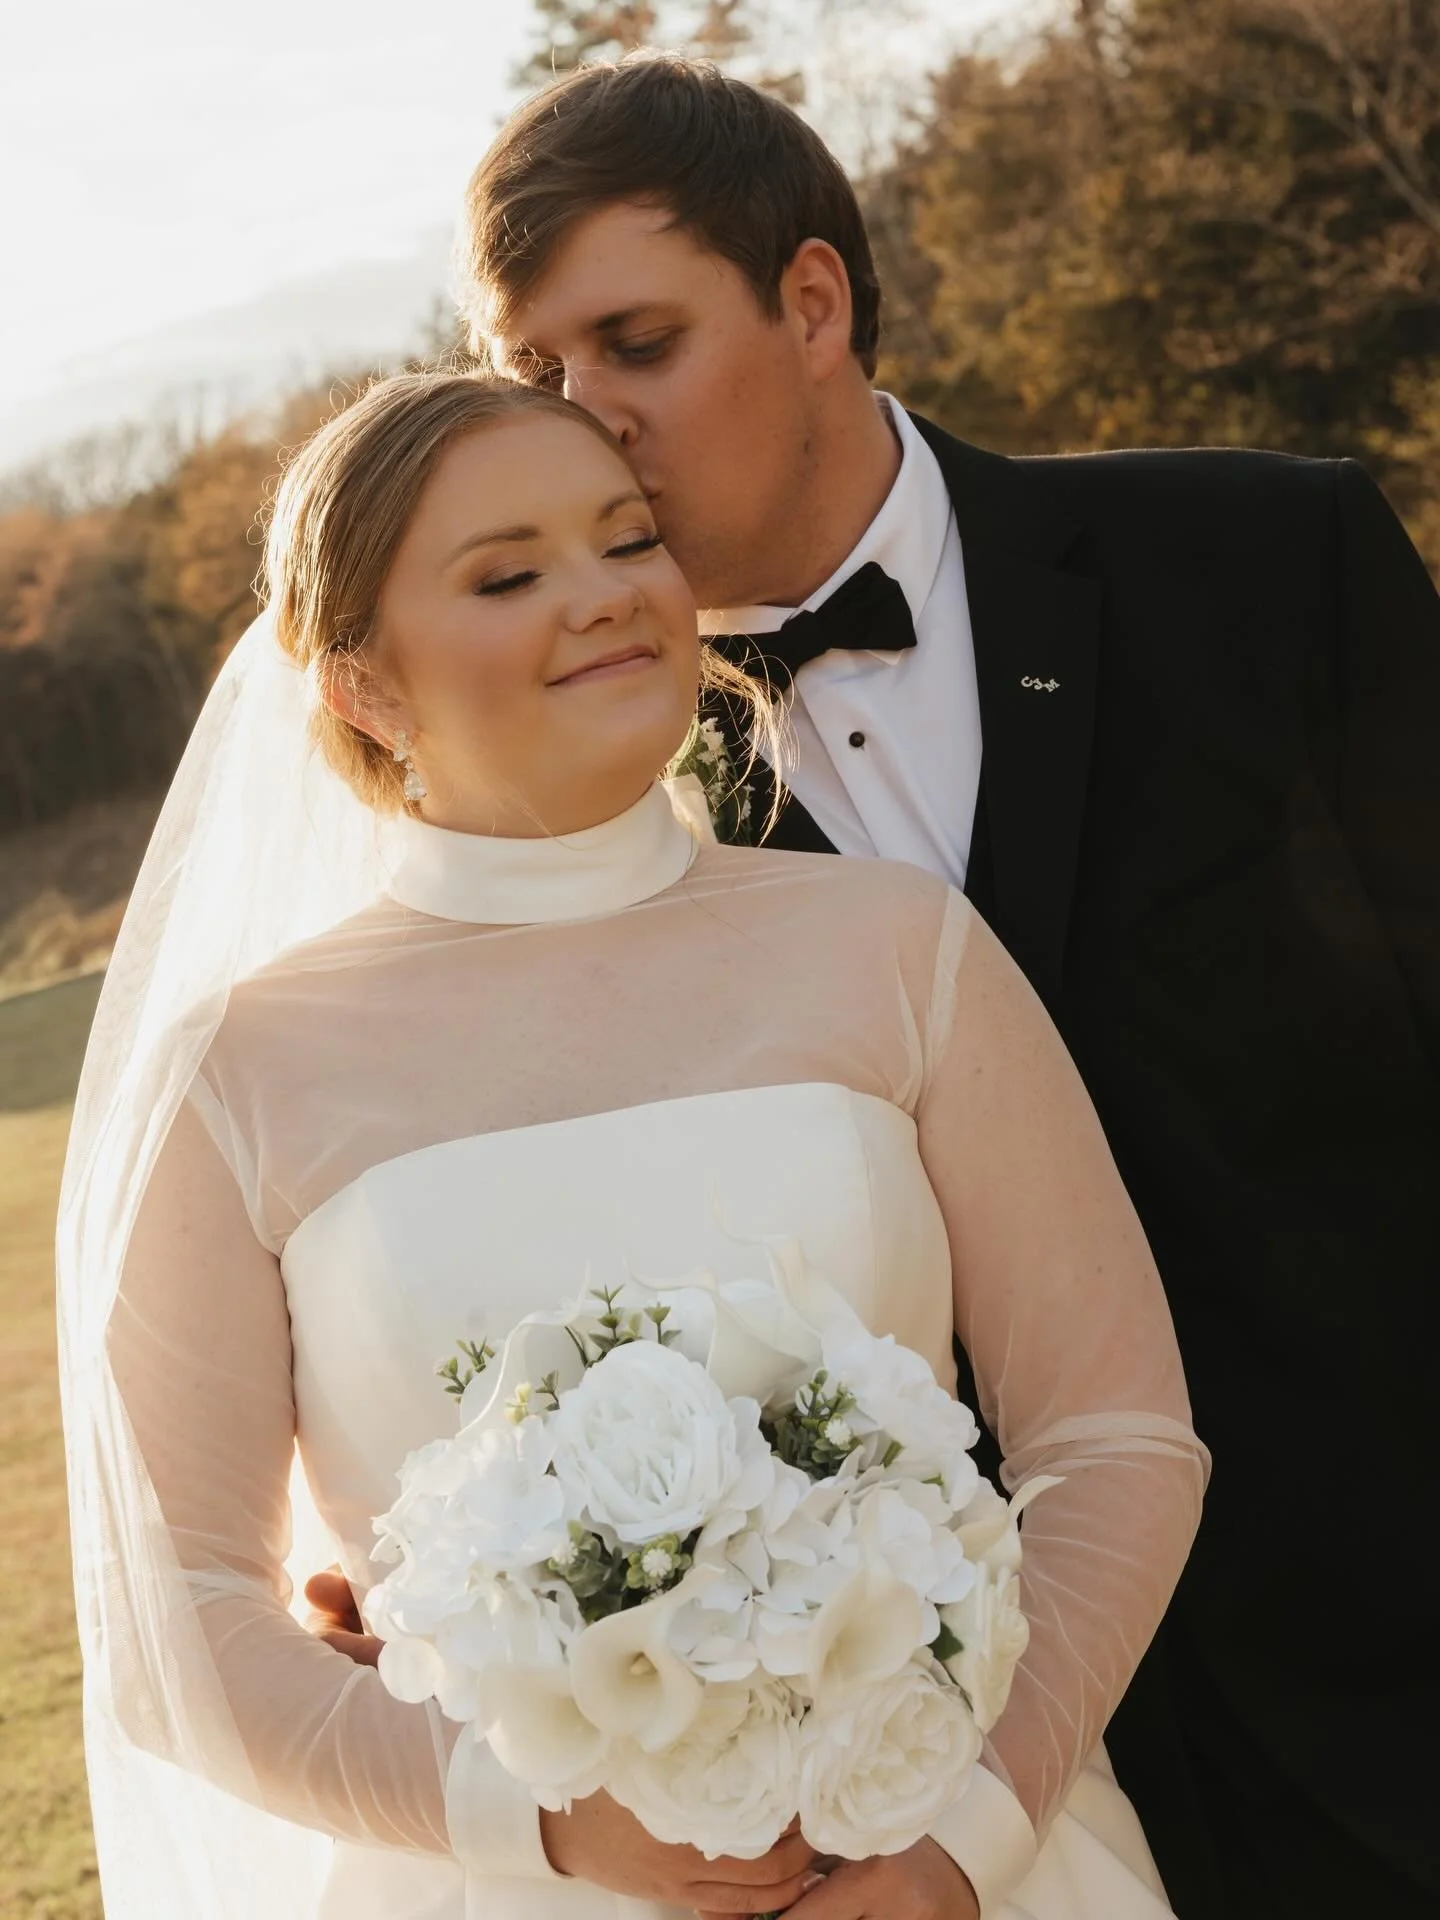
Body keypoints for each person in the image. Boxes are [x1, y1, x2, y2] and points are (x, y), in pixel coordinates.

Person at [307, 51, 1440, 1920]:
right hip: (980, 1779)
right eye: (536, 374)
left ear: (813, 301)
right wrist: (422, 1570)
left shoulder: (1261, 558)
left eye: (636, 343)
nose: (587, 419)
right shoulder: (614, 813)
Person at [59, 371, 1205, 1920]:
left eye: (628, 540)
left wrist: (966, 1843)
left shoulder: (900, 946)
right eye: (510, 572)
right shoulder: (239, 1069)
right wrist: (539, 1831)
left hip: (947, 1865)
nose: (605, 600)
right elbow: (174, 1614)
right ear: (361, 687)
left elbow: (1117, 1442)